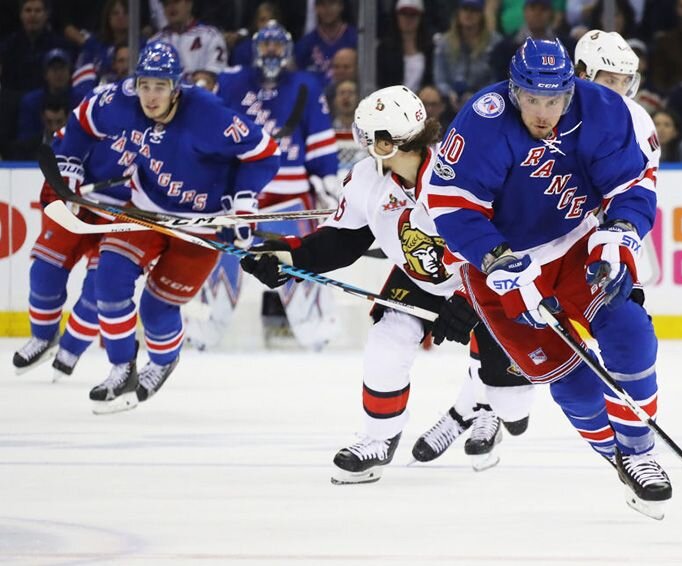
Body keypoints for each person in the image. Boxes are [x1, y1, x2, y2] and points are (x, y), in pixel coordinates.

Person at [423, 38, 671, 519]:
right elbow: (452, 204)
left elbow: (633, 183)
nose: (543, 111)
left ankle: (640, 451)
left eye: (553, 99)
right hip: (500, 266)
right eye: (532, 99)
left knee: (630, 331)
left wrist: (619, 236)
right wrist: (494, 258)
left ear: (570, 88)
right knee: (572, 383)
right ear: (514, 91)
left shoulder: (601, 108)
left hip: (575, 242)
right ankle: (618, 459)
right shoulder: (484, 119)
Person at [239, 86, 486, 482]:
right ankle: (378, 439)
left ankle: (483, 407)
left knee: (505, 377)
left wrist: (470, 297)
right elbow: (341, 243)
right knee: (387, 343)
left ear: (387, 142)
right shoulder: (366, 179)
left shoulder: (459, 173)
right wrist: (285, 256)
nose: (363, 143)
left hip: (481, 279)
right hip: (417, 278)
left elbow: (500, 238)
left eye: (368, 136)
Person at [51, 41, 280, 414]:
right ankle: (122, 367)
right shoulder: (121, 101)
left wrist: (242, 201)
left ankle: (161, 362)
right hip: (146, 208)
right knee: (108, 280)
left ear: (177, 87)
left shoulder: (209, 115)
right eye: (144, 85)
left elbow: (265, 153)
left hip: (201, 225)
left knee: (156, 309)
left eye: (160, 86)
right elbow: (81, 120)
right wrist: (71, 163)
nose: (151, 96)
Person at [187, 21, 341, 351]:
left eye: (277, 45)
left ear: (287, 51)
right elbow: (209, 122)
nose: (271, 51)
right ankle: (200, 333)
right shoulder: (231, 81)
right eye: (265, 44)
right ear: (255, 50)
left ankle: (318, 336)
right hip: (242, 198)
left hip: (292, 200)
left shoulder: (305, 84)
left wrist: (327, 174)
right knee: (220, 265)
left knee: (299, 267)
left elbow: (317, 134)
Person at [12, 93, 131, 378]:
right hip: (83, 203)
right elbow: (64, 143)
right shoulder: (102, 109)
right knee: (44, 269)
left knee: (100, 288)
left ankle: (71, 349)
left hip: (127, 213)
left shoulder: (167, 125)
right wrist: (66, 180)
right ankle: (43, 336)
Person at [432, 0, 502, 111]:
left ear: (481, 14)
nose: (468, 14)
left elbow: (495, 79)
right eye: (465, 9)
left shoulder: (495, 43)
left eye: (474, 10)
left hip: (484, 102)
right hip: (448, 103)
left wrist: (475, 96)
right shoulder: (444, 42)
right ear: (458, 12)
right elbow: (439, 79)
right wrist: (449, 93)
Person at [150, 0, 228, 90]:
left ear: (189, 3)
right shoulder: (154, 42)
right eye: (166, 4)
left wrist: (205, 77)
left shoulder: (211, 35)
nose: (171, 7)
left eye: (176, 2)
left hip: (202, 96)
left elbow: (216, 73)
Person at [293, 0, 358, 83]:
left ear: (341, 6)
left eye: (332, 3)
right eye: (322, 4)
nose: (327, 9)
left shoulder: (355, 37)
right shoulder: (305, 43)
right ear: (316, 8)